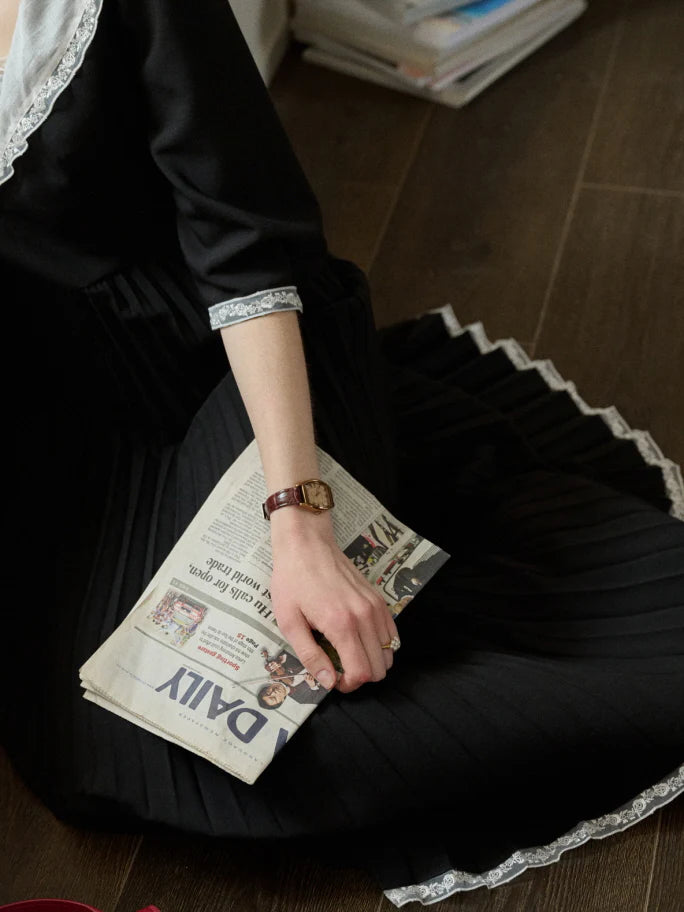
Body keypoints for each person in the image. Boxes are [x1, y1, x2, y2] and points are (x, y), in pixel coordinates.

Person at [1, 0, 682, 906]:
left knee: (302, 724)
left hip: (233, 364)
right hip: (68, 433)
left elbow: (246, 253)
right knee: (92, 746)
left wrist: (299, 520)